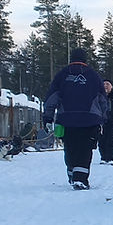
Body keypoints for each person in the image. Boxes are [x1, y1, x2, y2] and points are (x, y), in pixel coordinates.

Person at [42, 48, 108, 189]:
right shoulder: (93, 76)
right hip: (90, 120)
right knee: (85, 149)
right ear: (85, 60)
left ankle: (72, 173)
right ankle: (81, 178)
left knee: (70, 147)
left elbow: (51, 98)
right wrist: (104, 117)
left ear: (71, 59)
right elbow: (103, 99)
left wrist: (48, 117)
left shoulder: (62, 75)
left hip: (67, 120)